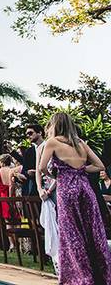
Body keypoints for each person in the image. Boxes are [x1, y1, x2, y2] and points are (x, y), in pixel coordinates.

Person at [39, 111, 111, 284]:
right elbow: (100, 165)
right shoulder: (80, 143)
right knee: (92, 231)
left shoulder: (53, 142)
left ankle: (80, 276)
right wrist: (82, 170)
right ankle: (101, 275)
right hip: (85, 189)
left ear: (55, 125)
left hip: (67, 189)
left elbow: (42, 167)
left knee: (71, 232)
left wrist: (56, 175)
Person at [36, 120, 59, 276]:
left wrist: (50, 189)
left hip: (57, 188)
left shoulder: (60, 145)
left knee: (61, 223)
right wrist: (40, 189)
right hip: (45, 190)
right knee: (50, 226)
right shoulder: (41, 148)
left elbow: (61, 171)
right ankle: (56, 261)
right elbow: (39, 170)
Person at [0, 154, 19, 251]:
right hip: (13, 195)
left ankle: (12, 244)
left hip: (3, 196)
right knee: (16, 220)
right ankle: (18, 243)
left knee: (7, 221)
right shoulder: (13, 170)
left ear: (1, 162)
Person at [21, 124, 45, 197]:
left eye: (30, 133)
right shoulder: (29, 151)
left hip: (52, 185)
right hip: (35, 189)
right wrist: (28, 173)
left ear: (40, 133)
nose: (28, 136)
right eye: (27, 134)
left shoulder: (49, 146)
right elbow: (24, 170)